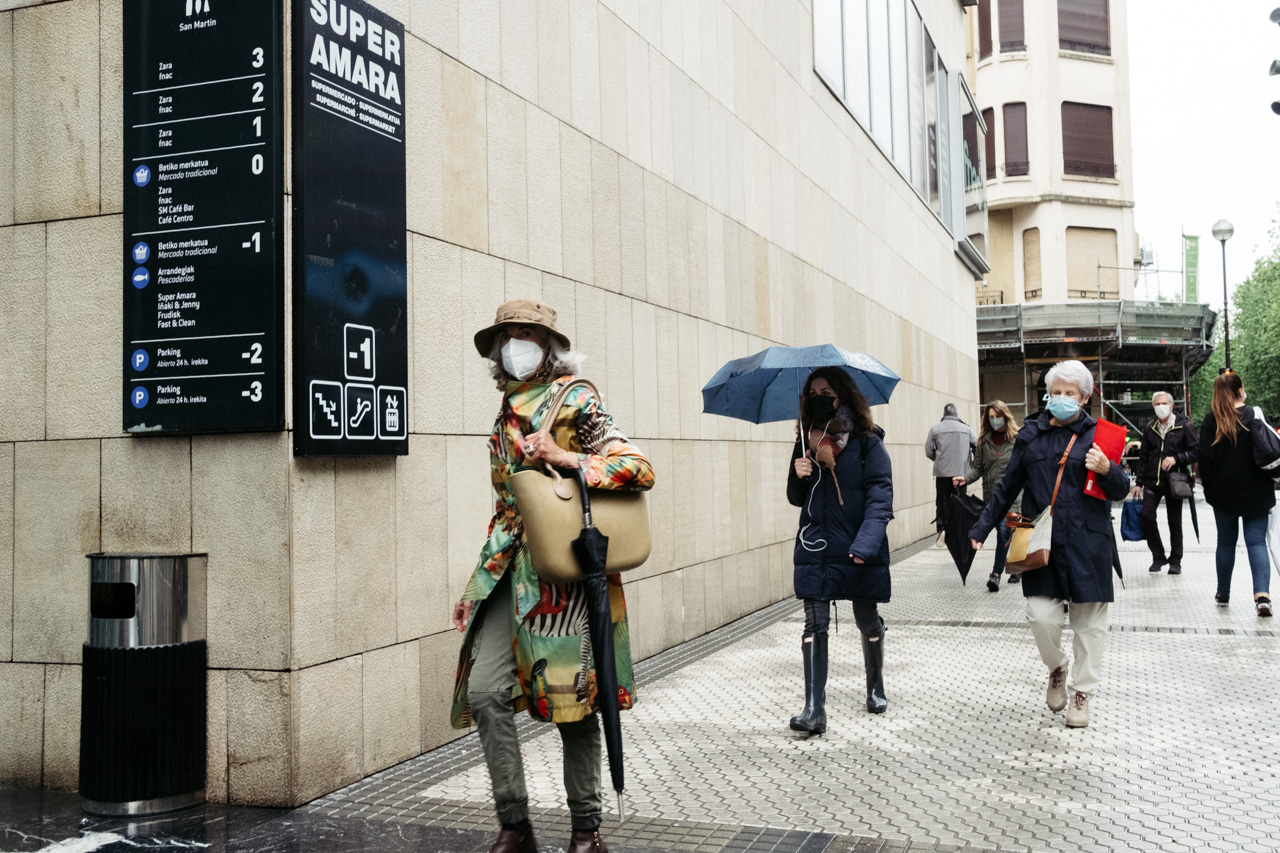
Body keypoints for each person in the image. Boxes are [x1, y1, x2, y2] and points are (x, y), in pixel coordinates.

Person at [451, 300, 655, 853]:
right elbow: (506, 511)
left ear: (549, 346)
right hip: (510, 572)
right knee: (487, 691)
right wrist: (476, 587)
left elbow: (637, 466)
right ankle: (514, 825)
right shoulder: (504, 412)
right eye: (508, 337)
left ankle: (586, 831)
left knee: (574, 701)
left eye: (527, 335)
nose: (515, 345)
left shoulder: (577, 398)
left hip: (565, 574)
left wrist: (566, 458)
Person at [968, 360, 1129, 728]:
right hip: (1043, 543)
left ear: (1085, 398)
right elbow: (1007, 488)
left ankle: (1083, 694)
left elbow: (1119, 490)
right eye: (1055, 392)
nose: (1060, 399)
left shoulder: (1102, 435)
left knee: (1089, 625)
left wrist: (1107, 469)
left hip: (1089, 542)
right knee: (1041, 616)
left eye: (1069, 393)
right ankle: (1057, 667)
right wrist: (980, 529)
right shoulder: (1030, 436)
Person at [786, 367, 894, 731]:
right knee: (814, 623)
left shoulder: (867, 442)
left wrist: (866, 543)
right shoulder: (804, 441)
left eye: (826, 390)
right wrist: (797, 473)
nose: (818, 396)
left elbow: (881, 498)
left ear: (843, 395)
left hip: (857, 546)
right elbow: (795, 498)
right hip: (815, 546)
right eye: (812, 391)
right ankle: (814, 709)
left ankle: (875, 684)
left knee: (866, 619)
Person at [1197, 371, 1275, 617]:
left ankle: (1223, 593)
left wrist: (1210, 490)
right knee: (1256, 542)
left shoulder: (1212, 420)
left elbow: (1204, 460)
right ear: (1240, 390)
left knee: (1226, 542)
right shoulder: (1255, 415)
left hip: (1223, 493)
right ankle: (1262, 596)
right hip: (1257, 491)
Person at [954, 401, 1023, 592]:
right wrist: (965, 479)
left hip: (1014, 498)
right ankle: (1015, 566)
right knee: (1007, 534)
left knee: (1004, 532)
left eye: (997, 416)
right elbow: (978, 468)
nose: (994, 421)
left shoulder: (1017, 439)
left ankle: (996, 574)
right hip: (992, 497)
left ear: (1006, 416)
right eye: (991, 417)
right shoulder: (983, 441)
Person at [1135, 391, 1199, 574]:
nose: (1161, 406)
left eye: (1164, 403)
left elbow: (1196, 451)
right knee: (1147, 516)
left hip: (1174, 481)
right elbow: (1144, 456)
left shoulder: (1184, 426)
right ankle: (1158, 556)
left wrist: (1177, 459)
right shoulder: (1150, 428)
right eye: (1157, 404)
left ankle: (1175, 560)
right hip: (1152, 481)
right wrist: (1139, 483)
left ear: (1171, 406)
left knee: (1174, 522)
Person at [925, 404, 976, 537]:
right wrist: (972, 465)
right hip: (961, 473)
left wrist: (939, 461)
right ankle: (959, 528)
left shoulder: (935, 429)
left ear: (944, 414)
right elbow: (977, 446)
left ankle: (942, 527)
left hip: (942, 474)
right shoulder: (967, 429)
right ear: (956, 415)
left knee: (942, 500)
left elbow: (928, 451)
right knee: (960, 500)